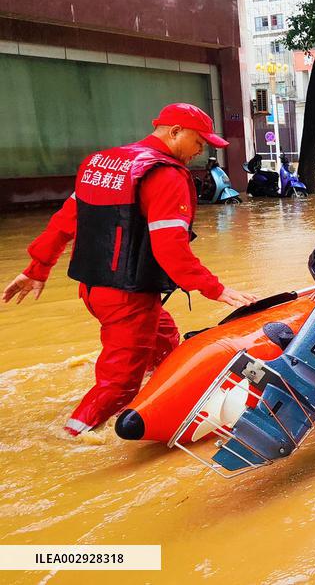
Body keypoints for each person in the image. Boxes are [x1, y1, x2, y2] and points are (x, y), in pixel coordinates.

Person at [2, 103, 257, 437]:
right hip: (127, 297)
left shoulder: (106, 163)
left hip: (93, 289)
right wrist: (215, 289)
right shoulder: (165, 175)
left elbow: (66, 220)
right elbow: (170, 248)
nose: (201, 150)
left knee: (164, 337)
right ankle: (71, 438)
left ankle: (157, 390)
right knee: (119, 384)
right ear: (175, 132)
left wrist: (38, 268)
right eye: (199, 141)